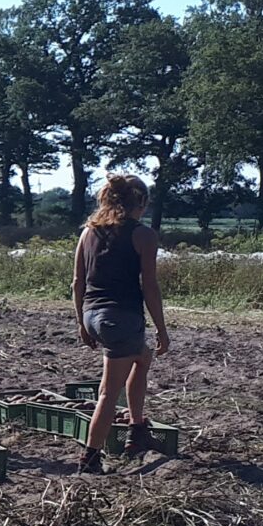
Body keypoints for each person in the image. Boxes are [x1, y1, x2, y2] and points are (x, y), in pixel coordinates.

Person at [72, 173, 170, 472]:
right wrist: (162, 330)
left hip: (92, 315)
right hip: (120, 318)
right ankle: (90, 457)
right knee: (107, 392)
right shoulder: (143, 235)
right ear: (140, 202)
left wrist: (81, 323)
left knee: (143, 356)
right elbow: (149, 287)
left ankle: (136, 427)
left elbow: (77, 282)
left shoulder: (88, 232)